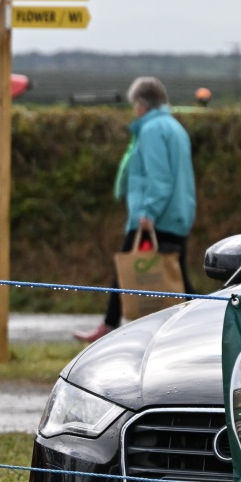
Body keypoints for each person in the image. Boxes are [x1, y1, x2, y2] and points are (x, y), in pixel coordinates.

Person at [75, 76, 197, 343]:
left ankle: (109, 325)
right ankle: (198, 325)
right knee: (176, 276)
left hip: (155, 216)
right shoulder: (175, 127)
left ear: (142, 104)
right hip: (177, 213)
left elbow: (159, 177)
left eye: (134, 104)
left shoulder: (152, 130)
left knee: (131, 269)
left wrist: (149, 212)